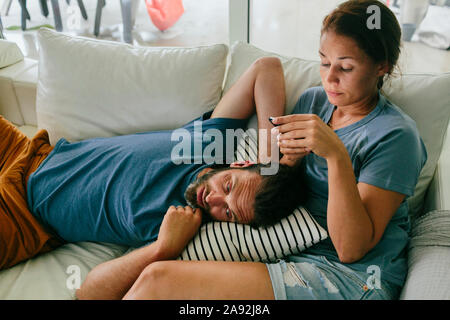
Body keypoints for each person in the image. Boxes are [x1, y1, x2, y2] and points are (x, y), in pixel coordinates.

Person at [77, 0, 427, 300]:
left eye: (346, 67)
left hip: (349, 277)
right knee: (159, 280)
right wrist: (276, 161)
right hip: (292, 253)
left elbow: (352, 248)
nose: (330, 78)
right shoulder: (313, 103)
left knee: (159, 281)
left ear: (382, 66)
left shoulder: (395, 137)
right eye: (324, 62)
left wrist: (336, 156)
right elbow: (275, 178)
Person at [0, 56, 305, 271]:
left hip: (23, 217)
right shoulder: (212, 142)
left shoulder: (181, 230)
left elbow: (93, 291)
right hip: (29, 152)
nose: (213, 199)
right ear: (239, 165)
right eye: (227, 187)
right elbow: (266, 68)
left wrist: (163, 247)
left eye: (227, 212)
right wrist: (270, 156)